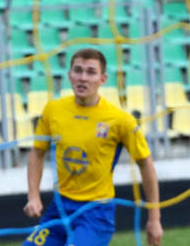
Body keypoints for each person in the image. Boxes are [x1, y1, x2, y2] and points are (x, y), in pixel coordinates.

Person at [23, 48, 162, 246]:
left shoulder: (120, 120)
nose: (83, 78)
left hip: (97, 212)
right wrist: (33, 196)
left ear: (102, 79)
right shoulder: (53, 110)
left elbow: (145, 163)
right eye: (78, 70)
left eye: (91, 72)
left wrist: (154, 219)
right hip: (60, 207)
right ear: (69, 75)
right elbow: (37, 153)